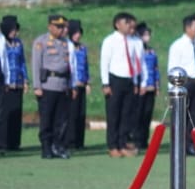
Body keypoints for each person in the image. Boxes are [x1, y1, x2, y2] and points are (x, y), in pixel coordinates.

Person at [99, 11, 145, 158]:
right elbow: (104, 62)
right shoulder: (110, 41)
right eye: (127, 23)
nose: (130, 26)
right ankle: (112, 145)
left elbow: (138, 63)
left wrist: (138, 82)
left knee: (127, 115)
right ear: (118, 24)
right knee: (114, 114)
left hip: (129, 79)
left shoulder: (134, 41)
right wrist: (105, 83)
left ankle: (123, 142)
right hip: (115, 79)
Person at [168, 13, 195, 155]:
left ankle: (193, 144)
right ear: (188, 28)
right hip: (185, 84)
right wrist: (173, 89)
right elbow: (172, 66)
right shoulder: (178, 45)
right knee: (182, 116)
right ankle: (180, 145)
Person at [31, 14, 74, 160]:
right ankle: (46, 147)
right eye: (58, 27)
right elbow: (36, 65)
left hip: (62, 85)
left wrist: (71, 85)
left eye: (63, 27)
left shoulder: (65, 43)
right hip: (47, 85)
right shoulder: (41, 42)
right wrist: (37, 86)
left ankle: (58, 145)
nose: (61, 30)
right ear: (50, 26)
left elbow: (69, 66)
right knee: (47, 119)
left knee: (61, 120)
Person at [0, 15, 26, 154]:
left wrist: (25, 80)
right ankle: (3, 142)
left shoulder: (18, 43)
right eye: (12, 29)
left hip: (18, 82)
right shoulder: (1, 43)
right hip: (6, 83)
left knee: (17, 112)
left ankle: (15, 142)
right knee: (5, 114)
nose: (14, 32)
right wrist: (6, 80)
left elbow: (22, 62)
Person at [134, 23, 158, 153]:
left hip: (150, 87)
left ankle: (144, 139)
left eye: (149, 34)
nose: (147, 37)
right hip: (140, 87)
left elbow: (155, 68)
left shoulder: (151, 51)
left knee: (148, 113)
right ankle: (136, 139)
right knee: (138, 113)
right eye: (145, 34)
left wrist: (157, 84)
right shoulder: (137, 51)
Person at [66, 20, 89, 151]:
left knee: (81, 113)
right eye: (75, 33)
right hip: (71, 85)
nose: (78, 35)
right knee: (72, 113)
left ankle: (80, 141)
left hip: (82, 84)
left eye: (79, 33)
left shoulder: (82, 48)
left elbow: (85, 66)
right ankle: (71, 141)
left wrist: (87, 81)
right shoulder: (67, 46)